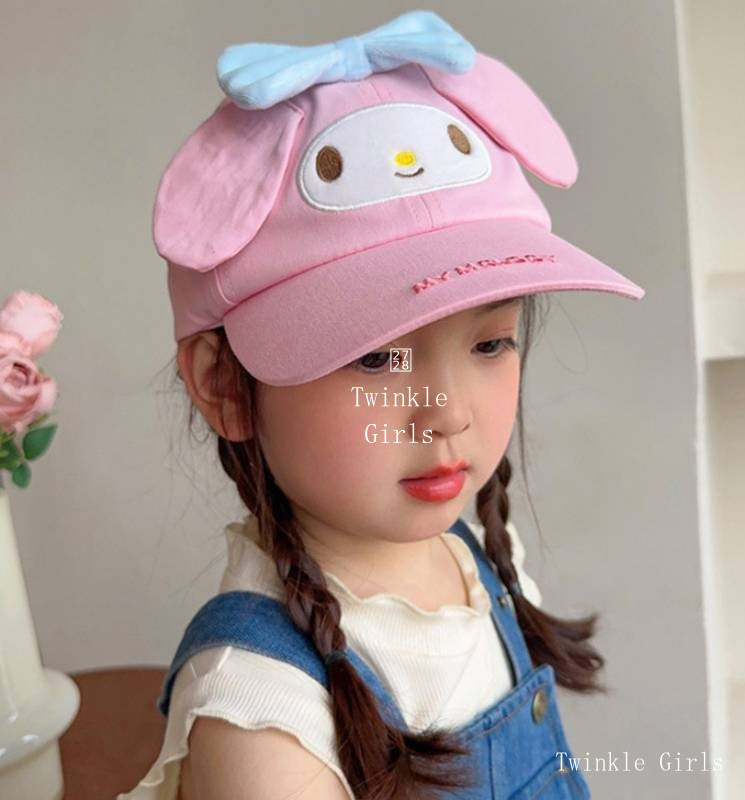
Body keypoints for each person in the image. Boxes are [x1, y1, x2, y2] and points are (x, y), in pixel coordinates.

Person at [118, 9, 645, 800]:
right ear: (226, 384)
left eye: (490, 344)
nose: (449, 412)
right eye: (377, 357)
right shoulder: (263, 714)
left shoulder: (477, 558)